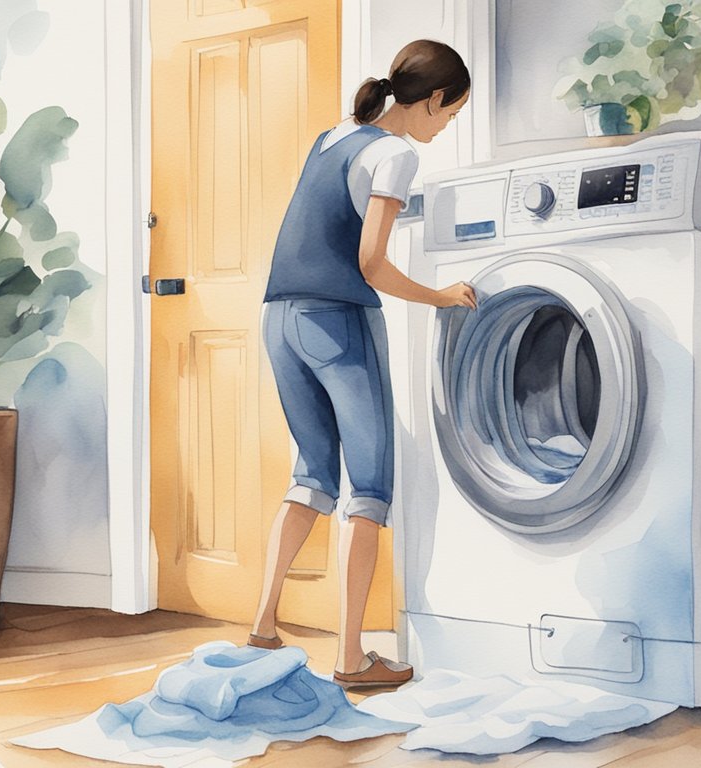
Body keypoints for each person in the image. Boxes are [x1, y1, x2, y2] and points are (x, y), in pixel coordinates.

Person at [248, 40, 475, 689]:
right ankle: (351, 659)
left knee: (312, 476)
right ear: (431, 101)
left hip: (280, 319)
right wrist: (441, 297)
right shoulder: (398, 154)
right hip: (338, 321)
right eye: (449, 116)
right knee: (368, 486)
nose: (444, 128)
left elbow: (330, 221)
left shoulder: (336, 136)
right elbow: (371, 263)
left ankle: (264, 624)